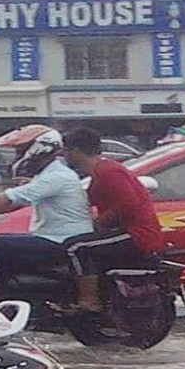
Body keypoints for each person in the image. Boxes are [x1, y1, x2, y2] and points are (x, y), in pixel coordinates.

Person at [0, 125, 93, 301]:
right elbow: (14, 203)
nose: (17, 155)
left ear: (39, 148)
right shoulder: (48, 174)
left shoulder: (56, 176)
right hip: (55, 236)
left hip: (61, 240)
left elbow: (9, 198)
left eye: (20, 150)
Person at [61, 127, 165, 313]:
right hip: (123, 232)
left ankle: (89, 301)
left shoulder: (108, 171)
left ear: (76, 151)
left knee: (75, 247)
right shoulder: (99, 171)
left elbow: (128, 203)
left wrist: (100, 222)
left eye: (66, 150)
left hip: (137, 234)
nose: (64, 155)